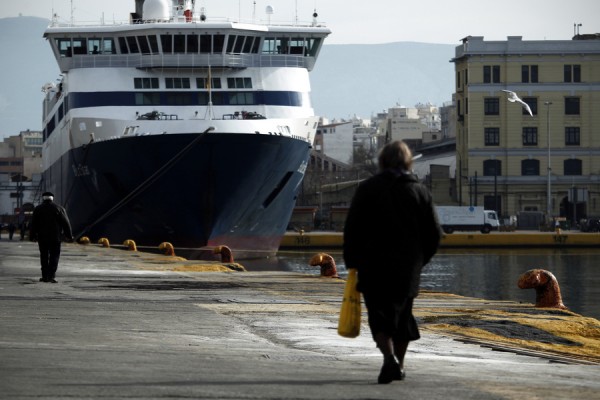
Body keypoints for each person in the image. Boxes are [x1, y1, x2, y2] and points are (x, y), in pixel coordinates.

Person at [343, 140, 441, 384]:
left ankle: (389, 359)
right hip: (407, 268)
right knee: (403, 318)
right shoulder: (419, 191)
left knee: (379, 316)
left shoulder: (367, 189)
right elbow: (434, 233)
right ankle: (400, 363)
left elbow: (352, 228)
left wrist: (352, 261)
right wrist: (420, 260)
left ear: (382, 160)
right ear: (408, 161)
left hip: (372, 264)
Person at [30, 192, 74, 283]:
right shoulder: (59, 208)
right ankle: (51, 276)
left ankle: (44, 276)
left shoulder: (38, 209)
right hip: (56, 238)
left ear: (43, 198)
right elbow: (66, 223)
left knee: (44, 256)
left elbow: (33, 224)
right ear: (52, 198)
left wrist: (32, 236)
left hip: (42, 238)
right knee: (54, 256)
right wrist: (69, 236)